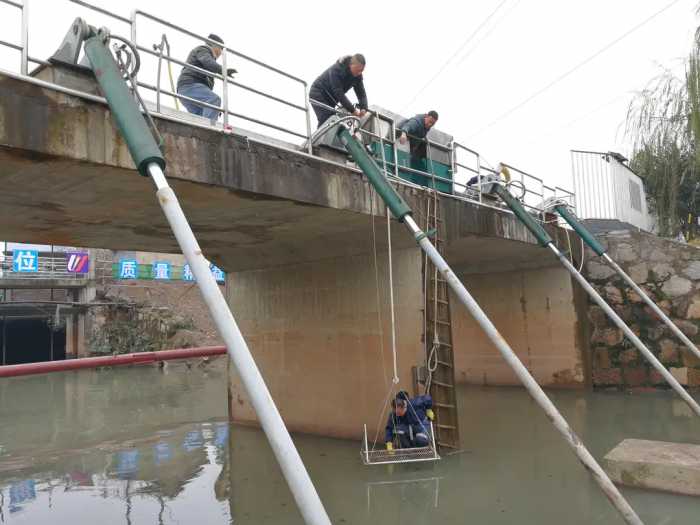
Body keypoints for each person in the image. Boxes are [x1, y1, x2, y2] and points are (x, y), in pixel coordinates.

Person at [177, 34, 237, 125]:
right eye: (221, 48)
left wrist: (214, 110)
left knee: (200, 116)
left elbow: (208, 84)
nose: (221, 53)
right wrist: (223, 70)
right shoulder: (204, 49)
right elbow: (207, 62)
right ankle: (210, 129)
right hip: (190, 85)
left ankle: (199, 134)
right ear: (215, 45)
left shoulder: (209, 61)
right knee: (214, 100)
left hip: (185, 89)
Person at [309, 54, 368, 128]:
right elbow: (338, 92)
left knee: (331, 119)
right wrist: (352, 110)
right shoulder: (336, 69)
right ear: (351, 65)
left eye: (361, 71)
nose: (359, 73)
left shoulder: (357, 76)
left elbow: (361, 93)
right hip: (318, 92)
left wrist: (364, 107)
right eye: (358, 69)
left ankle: (320, 138)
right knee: (328, 119)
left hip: (331, 100)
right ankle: (319, 138)